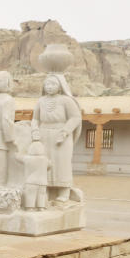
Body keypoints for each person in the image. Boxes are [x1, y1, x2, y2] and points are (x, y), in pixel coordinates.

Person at [30, 74, 81, 203]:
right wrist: (35, 130)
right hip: (43, 134)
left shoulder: (66, 100)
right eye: (47, 84)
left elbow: (75, 117)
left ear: (59, 87)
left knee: (62, 163)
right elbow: (35, 118)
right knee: (44, 163)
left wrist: (65, 131)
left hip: (61, 135)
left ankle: (64, 191)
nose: (50, 87)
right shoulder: (40, 101)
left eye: (53, 84)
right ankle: (45, 190)